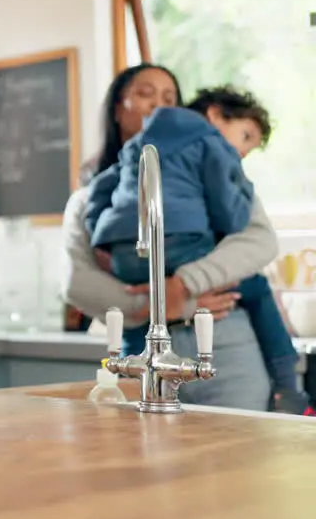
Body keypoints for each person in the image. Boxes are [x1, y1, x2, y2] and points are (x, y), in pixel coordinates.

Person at [61, 64, 281, 411]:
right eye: (146, 94)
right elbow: (78, 284)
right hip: (136, 355)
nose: (158, 106)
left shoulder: (205, 168)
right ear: (119, 107)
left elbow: (260, 240)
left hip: (227, 353)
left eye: (169, 98)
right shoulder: (90, 196)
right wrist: (171, 304)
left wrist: (185, 283)